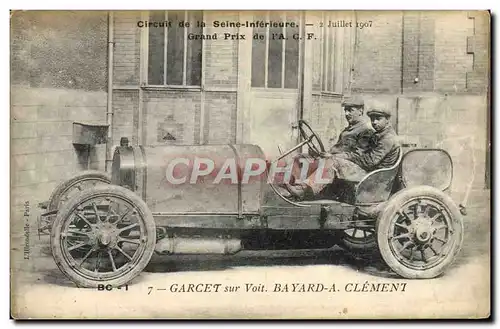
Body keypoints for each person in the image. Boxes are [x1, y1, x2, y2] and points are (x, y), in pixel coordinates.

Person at [283, 106, 401, 200]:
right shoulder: (380, 134)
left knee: (333, 163)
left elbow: (369, 161)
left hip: (373, 177)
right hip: (371, 172)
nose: (374, 122)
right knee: (313, 159)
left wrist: (340, 157)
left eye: (378, 119)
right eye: (372, 119)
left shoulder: (387, 139)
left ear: (387, 120)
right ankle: (299, 187)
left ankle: (304, 191)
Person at [288, 96, 374, 185]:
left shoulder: (366, 131)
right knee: (301, 157)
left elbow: (357, 155)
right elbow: (337, 148)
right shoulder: (348, 129)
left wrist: (332, 157)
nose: (346, 113)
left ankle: (304, 189)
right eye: (345, 110)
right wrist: (323, 153)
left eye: (350, 110)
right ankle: (294, 185)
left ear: (360, 111)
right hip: (338, 162)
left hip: (353, 168)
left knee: (327, 163)